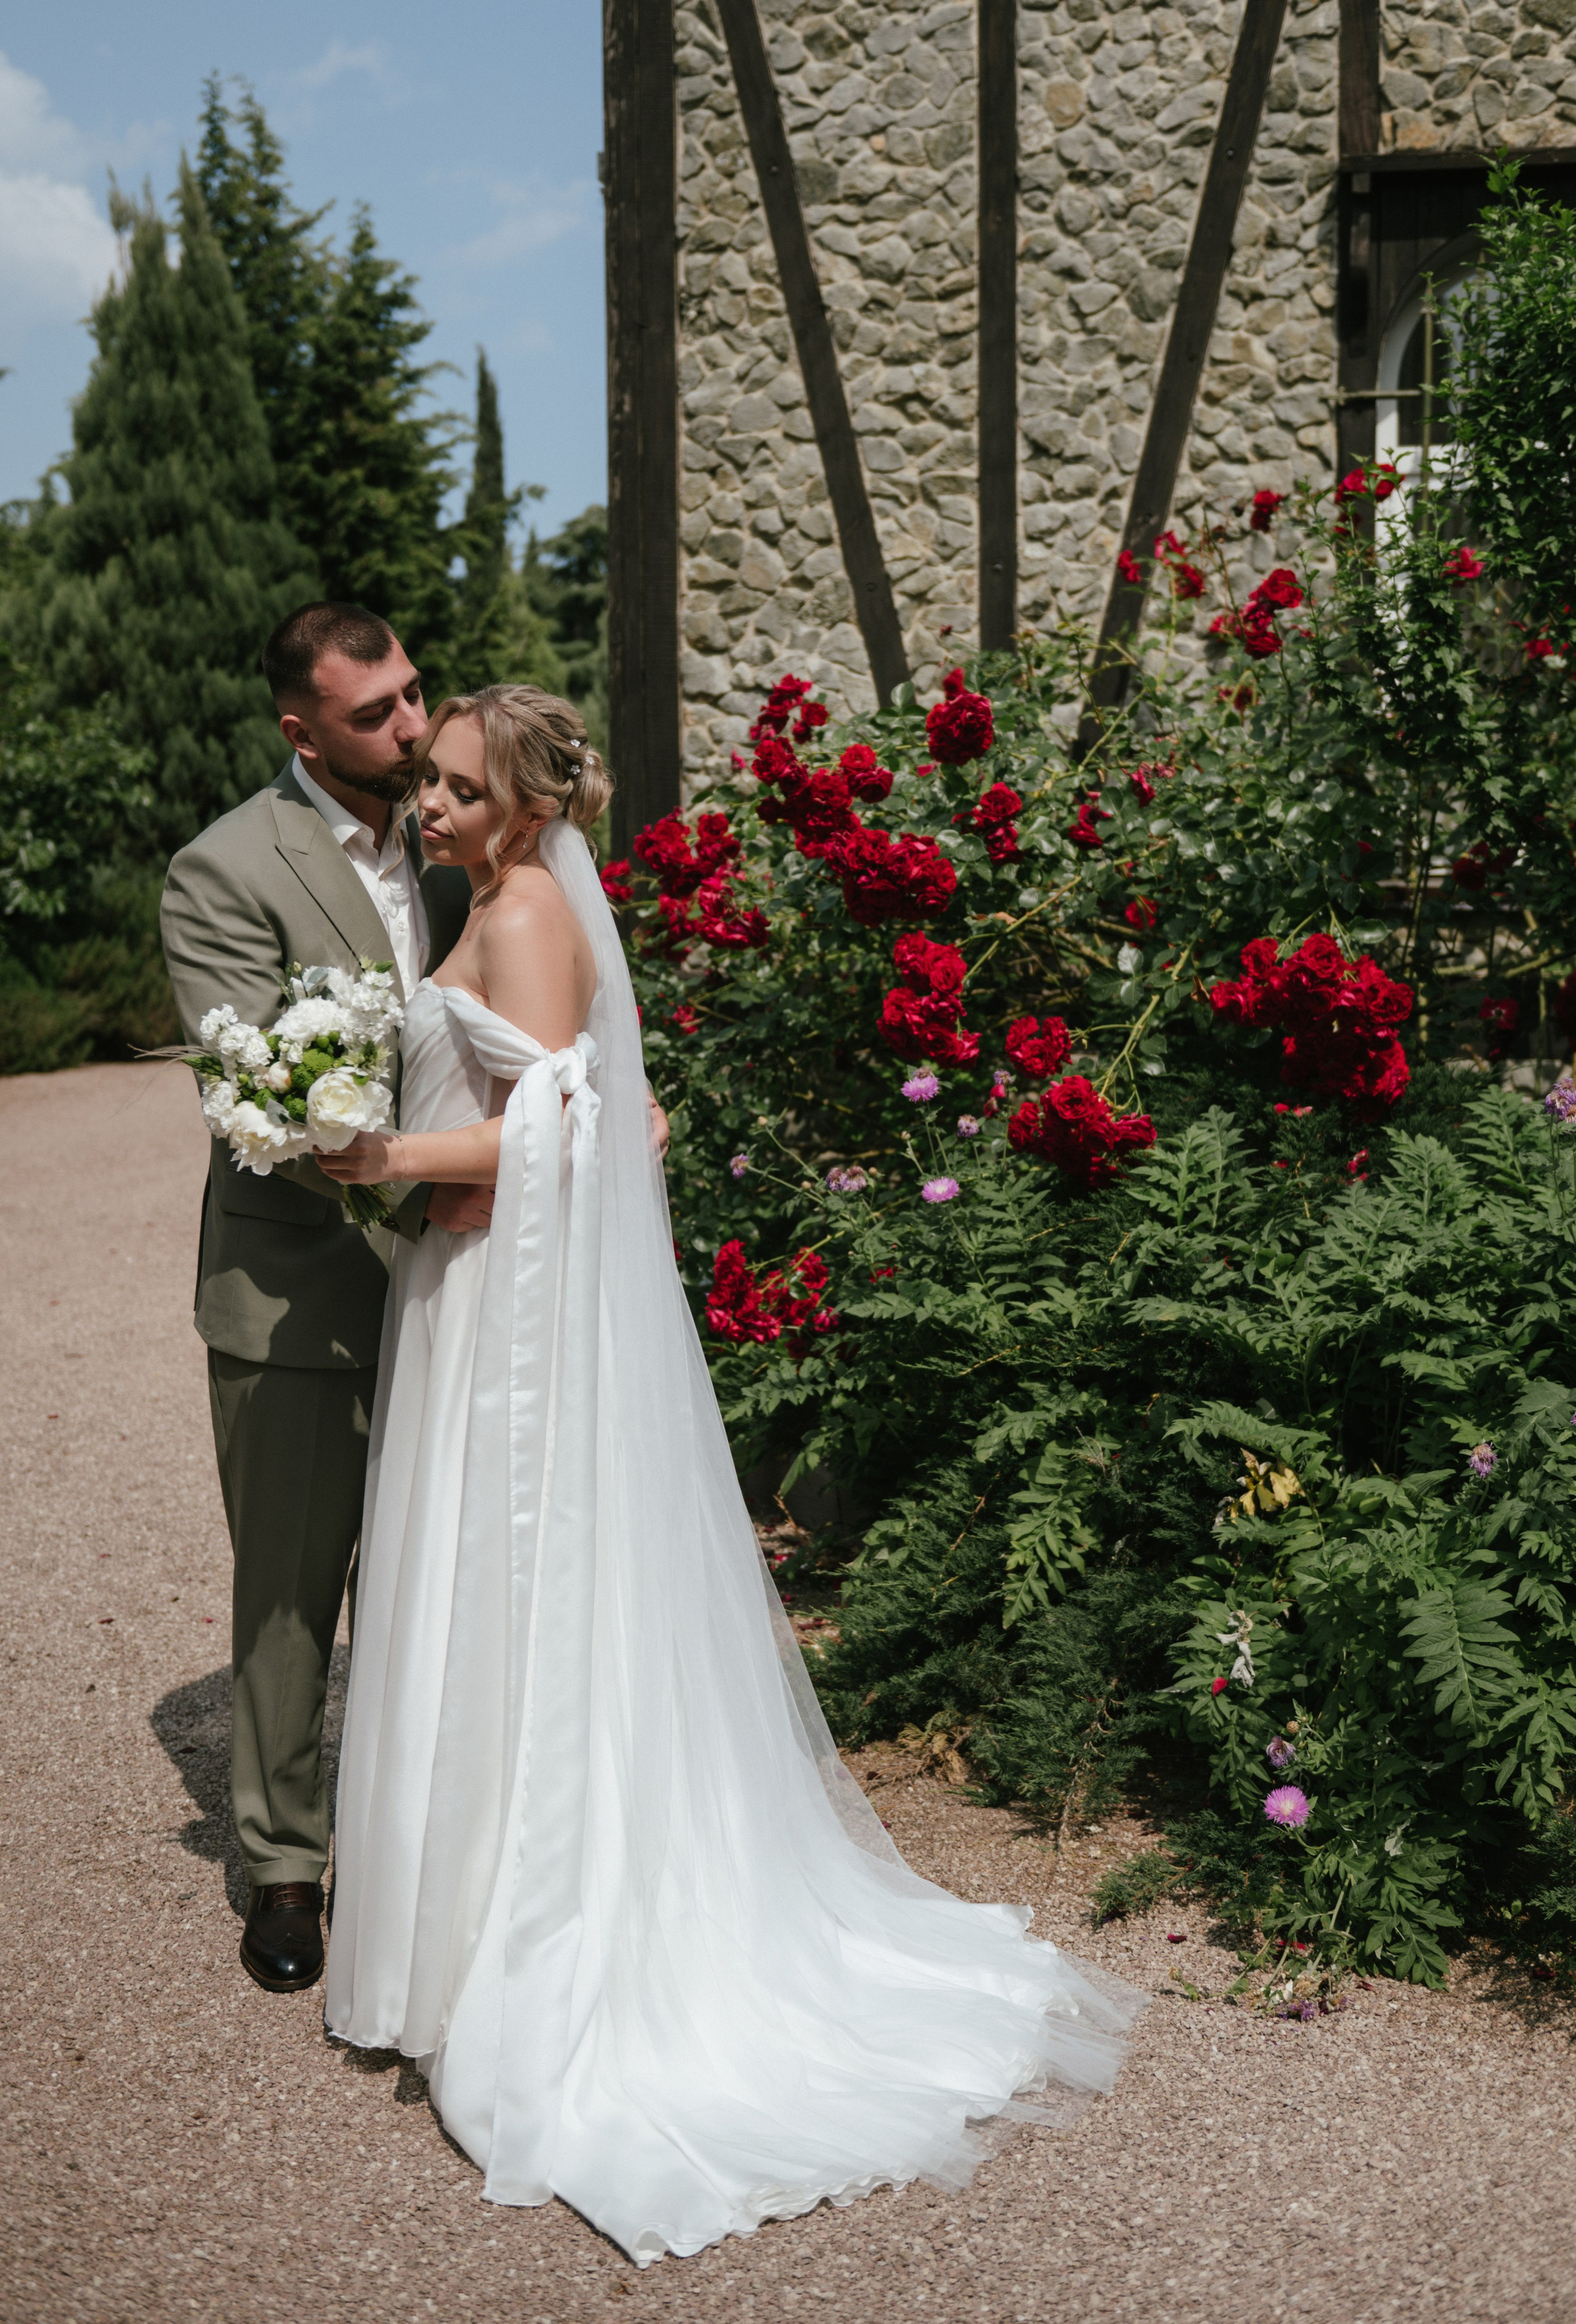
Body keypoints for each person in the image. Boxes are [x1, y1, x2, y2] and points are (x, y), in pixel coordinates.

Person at [317, 684, 1146, 2267]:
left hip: (499, 1302)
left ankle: (521, 1935)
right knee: (466, 1584)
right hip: (462, 1285)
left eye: (459, 789)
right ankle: (453, 1931)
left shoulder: (528, 908)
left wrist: (382, 1155)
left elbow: (560, 1119)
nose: (430, 804)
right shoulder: (491, 894)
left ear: (526, 806)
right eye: (430, 782)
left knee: (507, 1581)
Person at [160, 603, 484, 1993]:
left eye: (413, 693)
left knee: (449, 1575)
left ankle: (433, 1844)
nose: (411, 728)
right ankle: (286, 1868)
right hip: (297, 1286)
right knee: (292, 1593)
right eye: (374, 714)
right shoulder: (224, 869)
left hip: (467, 1276)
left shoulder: (466, 831)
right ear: (302, 731)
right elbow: (259, 1097)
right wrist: (427, 1192)